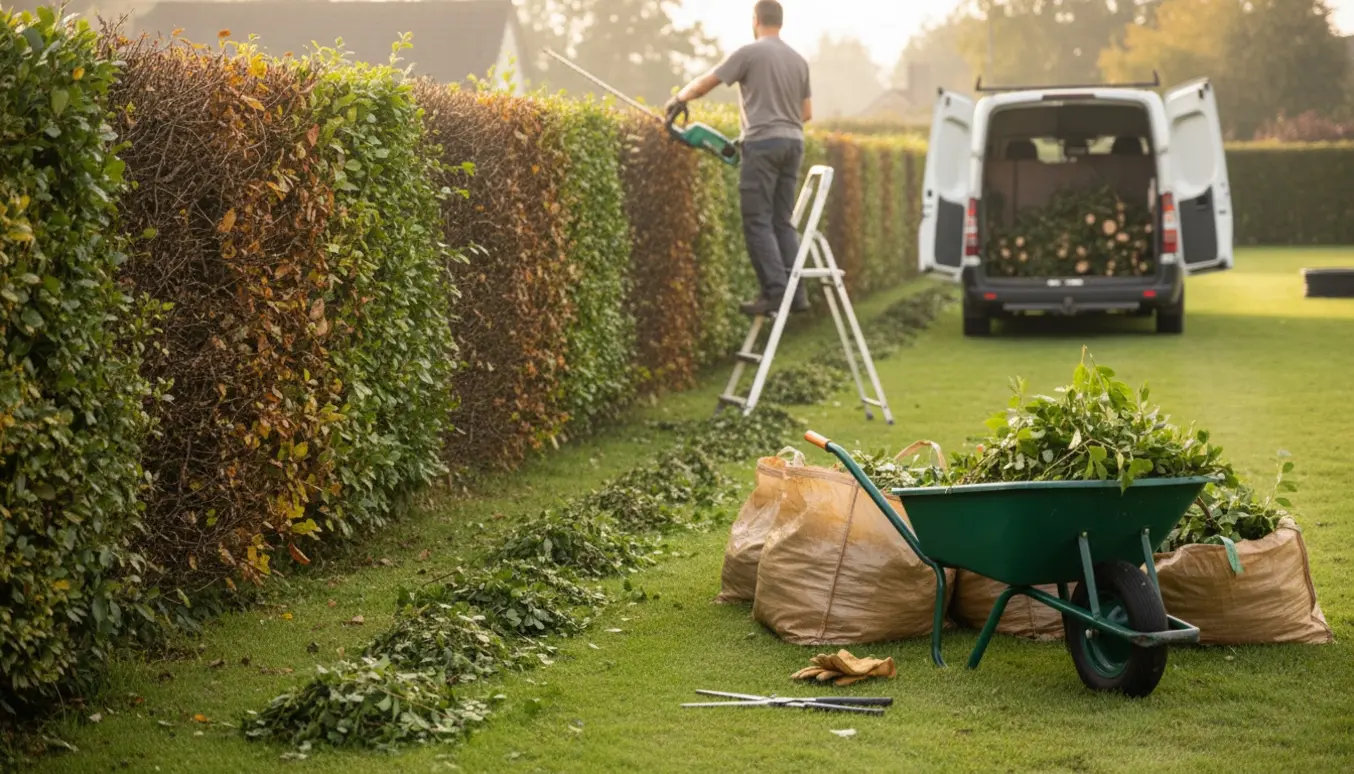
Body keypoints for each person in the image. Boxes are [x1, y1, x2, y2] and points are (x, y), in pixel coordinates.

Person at [666, 0, 813, 317]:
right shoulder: (799, 60)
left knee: (757, 220)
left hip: (763, 144)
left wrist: (678, 99)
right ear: (781, 21)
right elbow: (807, 114)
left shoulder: (750, 52)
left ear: (756, 19)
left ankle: (775, 292)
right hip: (794, 143)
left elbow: (708, 82)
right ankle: (797, 293)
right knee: (782, 221)